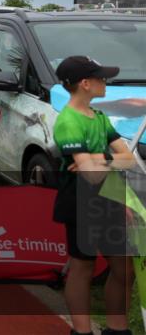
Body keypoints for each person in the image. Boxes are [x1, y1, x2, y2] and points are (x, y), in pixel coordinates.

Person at [51, 55, 135, 335]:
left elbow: (128, 159)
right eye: (100, 77)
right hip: (80, 202)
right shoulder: (68, 122)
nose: (105, 81)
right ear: (85, 84)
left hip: (109, 197)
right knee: (82, 266)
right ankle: (82, 331)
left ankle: (117, 329)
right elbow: (91, 174)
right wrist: (106, 162)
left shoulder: (99, 117)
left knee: (125, 269)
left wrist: (100, 159)